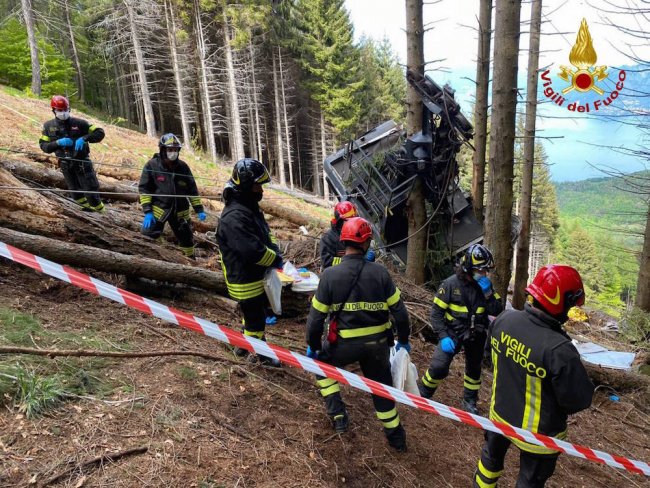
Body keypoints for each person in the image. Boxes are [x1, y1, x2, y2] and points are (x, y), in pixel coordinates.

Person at [473, 265, 594, 488]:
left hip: (499, 416)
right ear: (562, 303)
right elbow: (576, 401)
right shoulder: (560, 350)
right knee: (529, 483)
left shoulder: (504, 319)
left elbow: (489, 357)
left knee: (488, 466)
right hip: (539, 437)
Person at [306, 216, 411, 452]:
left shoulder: (330, 275)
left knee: (322, 367)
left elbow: (315, 319)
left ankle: (338, 417)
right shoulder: (381, 274)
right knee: (382, 390)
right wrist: (403, 341)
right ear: (366, 243)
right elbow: (401, 314)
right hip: (378, 346)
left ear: (344, 243)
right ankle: (396, 439)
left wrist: (313, 346)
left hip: (342, 345)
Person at [418, 243, 503, 414]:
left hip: (476, 333)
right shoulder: (450, 285)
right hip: (452, 333)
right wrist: (443, 336)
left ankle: (470, 400)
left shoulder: (486, 287)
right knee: (439, 367)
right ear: (469, 268)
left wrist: (488, 294)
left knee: (474, 369)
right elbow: (436, 314)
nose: (484, 274)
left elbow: (497, 311)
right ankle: (424, 392)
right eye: (481, 270)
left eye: (486, 270)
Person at [216, 158, 283, 366]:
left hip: (252, 275)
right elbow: (252, 251)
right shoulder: (234, 217)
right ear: (245, 186)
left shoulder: (248, 206)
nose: (260, 190)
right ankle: (261, 355)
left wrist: (274, 248)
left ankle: (244, 345)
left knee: (251, 314)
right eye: (257, 185)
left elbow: (264, 233)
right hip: (245, 279)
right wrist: (275, 259)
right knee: (256, 318)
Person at [138, 133, 206, 258]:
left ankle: (189, 261)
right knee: (147, 235)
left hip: (181, 212)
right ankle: (148, 260)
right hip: (158, 210)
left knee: (186, 238)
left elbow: (192, 190)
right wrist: (147, 211)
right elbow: (144, 189)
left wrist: (199, 209)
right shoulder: (151, 165)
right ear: (163, 150)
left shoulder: (183, 167)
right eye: (170, 149)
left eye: (175, 150)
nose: (173, 153)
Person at [39, 95, 106, 212]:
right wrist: (57, 143)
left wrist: (85, 138)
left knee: (91, 193)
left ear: (69, 109)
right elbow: (44, 146)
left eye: (65, 110)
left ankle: (102, 214)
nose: (63, 113)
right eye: (60, 110)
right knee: (75, 193)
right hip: (65, 164)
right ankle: (88, 212)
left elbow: (99, 132)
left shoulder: (80, 123)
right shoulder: (48, 126)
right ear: (54, 111)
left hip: (82, 163)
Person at [320, 201, 376, 270]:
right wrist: (347, 262)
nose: (352, 223)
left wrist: (368, 259)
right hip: (337, 275)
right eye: (348, 221)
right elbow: (326, 262)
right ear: (339, 221)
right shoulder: (328, 238)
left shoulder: (357, 233)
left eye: (353, 220)